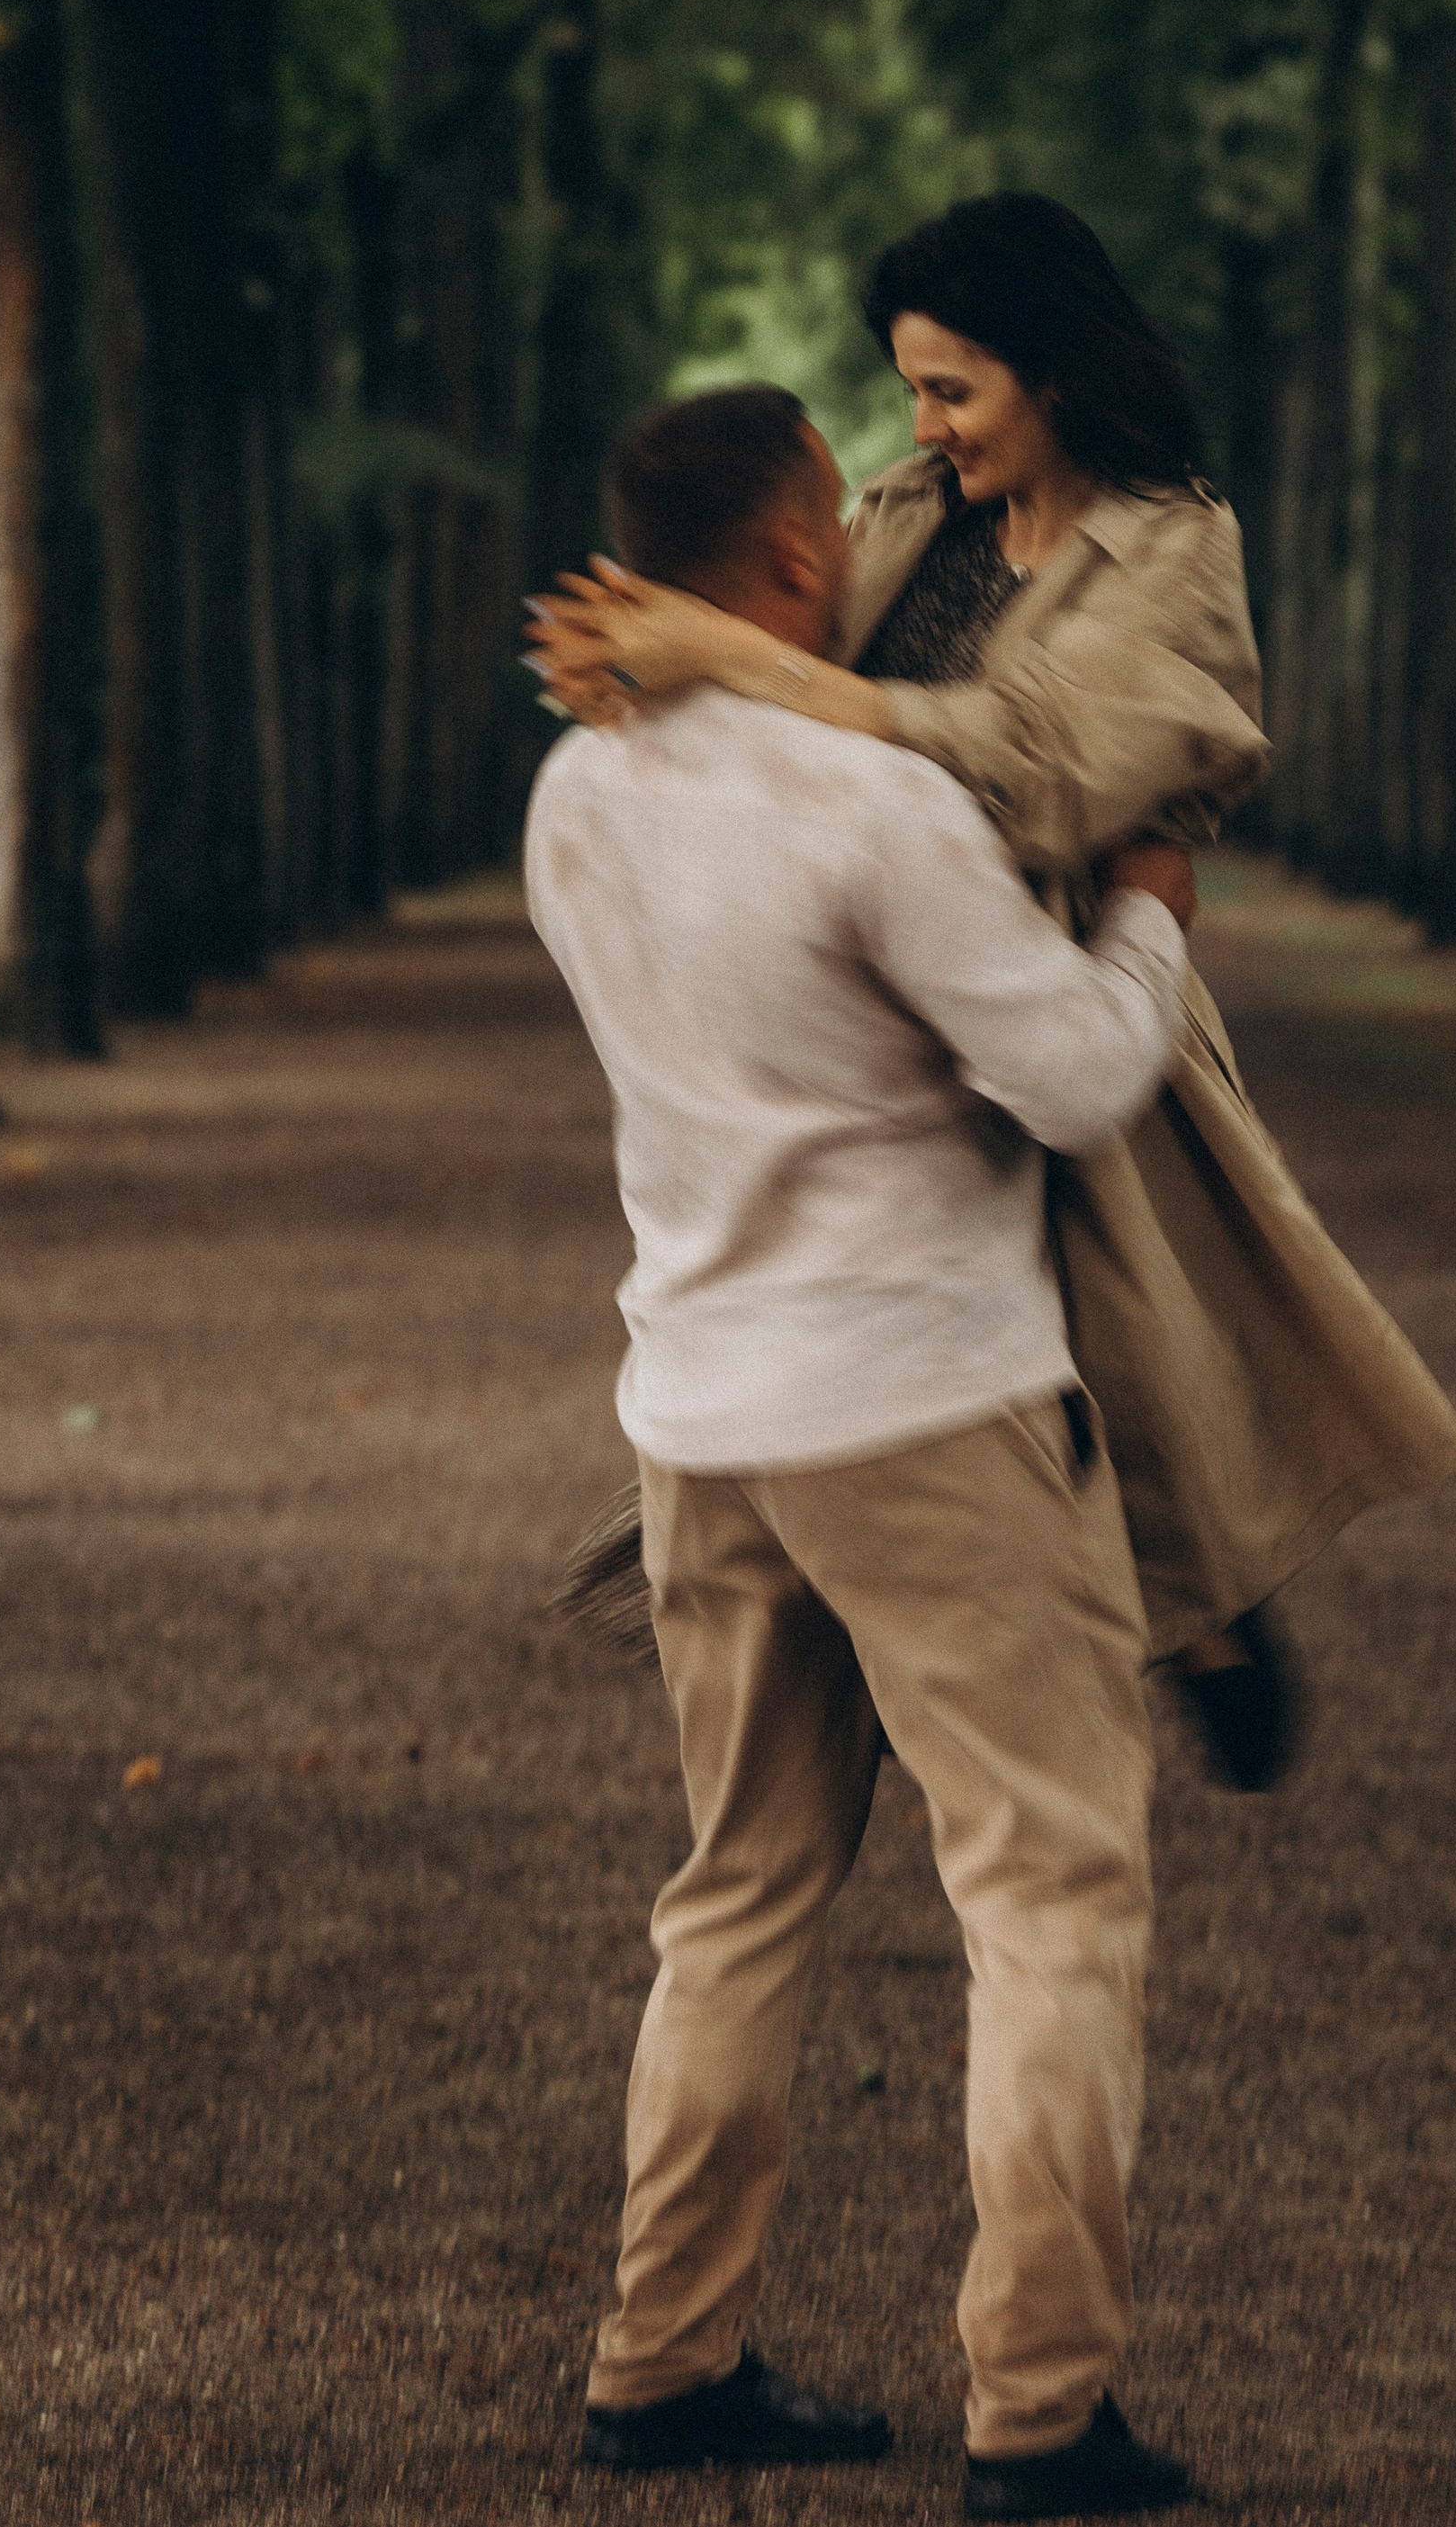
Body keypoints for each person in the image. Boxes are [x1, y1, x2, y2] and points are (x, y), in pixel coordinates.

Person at [529, 193, 1456, 1773]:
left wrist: (740, 661)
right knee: (889, 1344)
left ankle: (1200, 1616)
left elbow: (1043, 763)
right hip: (888, 982)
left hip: (1063, 987)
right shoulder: (913, 509)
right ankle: (909, 1630)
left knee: (1110, 1357)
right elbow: (778, 624)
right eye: (910, 388)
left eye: (953, 388)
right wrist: (648, 655)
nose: (924, 424)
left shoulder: (1177, 548)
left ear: (1054, 371)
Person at [525, 381, 1195, 2517]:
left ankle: (663, 2354)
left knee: (734, 1892)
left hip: (698, 1418)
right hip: (923, 1410)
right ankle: (1038, 2410)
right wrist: (1151, 901)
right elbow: (1083, 1077)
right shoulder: (867, 805)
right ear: (804, 558)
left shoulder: (573, 795)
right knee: (1049, 1899)